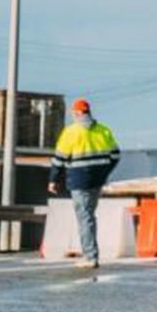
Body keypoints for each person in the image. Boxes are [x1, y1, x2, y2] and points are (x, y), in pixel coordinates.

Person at [48, 98, 120, 269]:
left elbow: (59, 159)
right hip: (97, 181)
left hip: (79, 181)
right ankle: (90, 253)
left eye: (73, 113)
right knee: (89, 216)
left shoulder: (71, 132)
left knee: (85, 218)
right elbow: (115, 156)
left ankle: (90, 256)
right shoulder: (103, 131)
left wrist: (53, 180)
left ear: (77, 113)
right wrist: (103, 173)